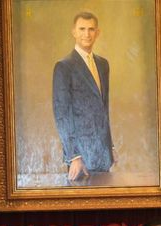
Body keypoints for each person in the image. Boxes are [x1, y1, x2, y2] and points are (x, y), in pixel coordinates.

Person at [52, 11, 113, 183]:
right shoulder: (64, 67)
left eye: (91, 29)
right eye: (82, 29)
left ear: (97, 33)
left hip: (103, 155)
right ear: (74, 32)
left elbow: (104, 108)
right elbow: (62, 115)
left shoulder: (103, 64)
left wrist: (111, 145)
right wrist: (74, 157)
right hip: (81, 159)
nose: (87, 34)